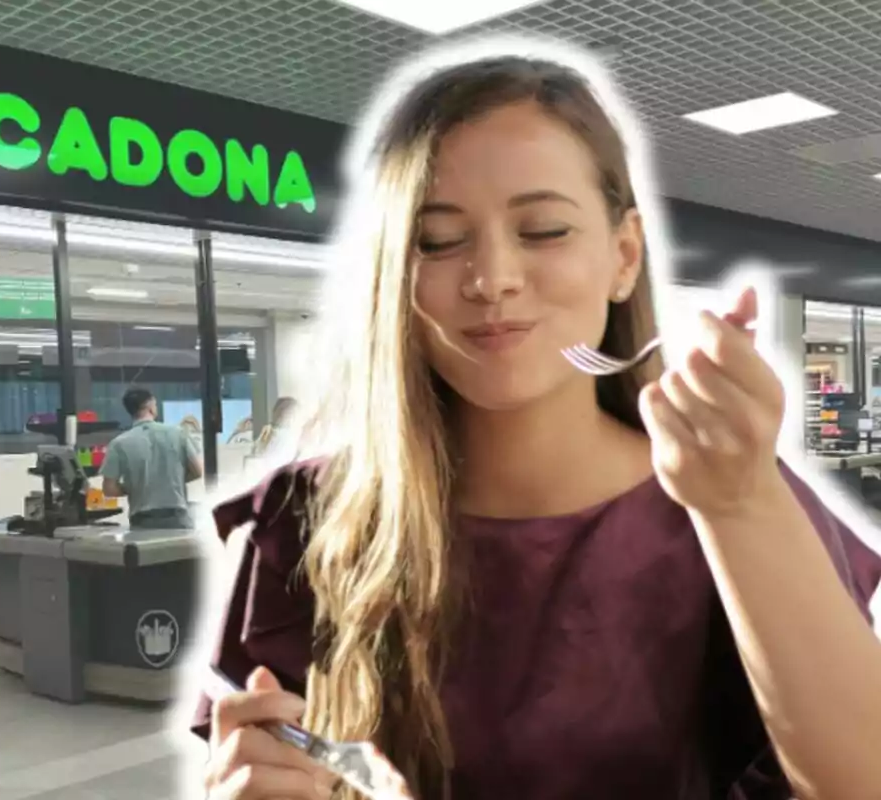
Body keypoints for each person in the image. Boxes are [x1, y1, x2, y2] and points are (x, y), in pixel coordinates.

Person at [192, 45, 881, 800]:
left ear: (623, 256)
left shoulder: (725, 496)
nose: (492, 280)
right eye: (439, 240)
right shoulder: (306, 519)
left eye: (544, 230)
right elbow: (269, 750)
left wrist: (740, 502)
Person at [100, 387, 202, 530]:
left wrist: (135, 486)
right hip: (177, 518)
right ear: (151, 406)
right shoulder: (178, 434)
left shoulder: (118, 444)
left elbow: (109, 489)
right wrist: (171, 480)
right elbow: (198, 471)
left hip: (142, 521)